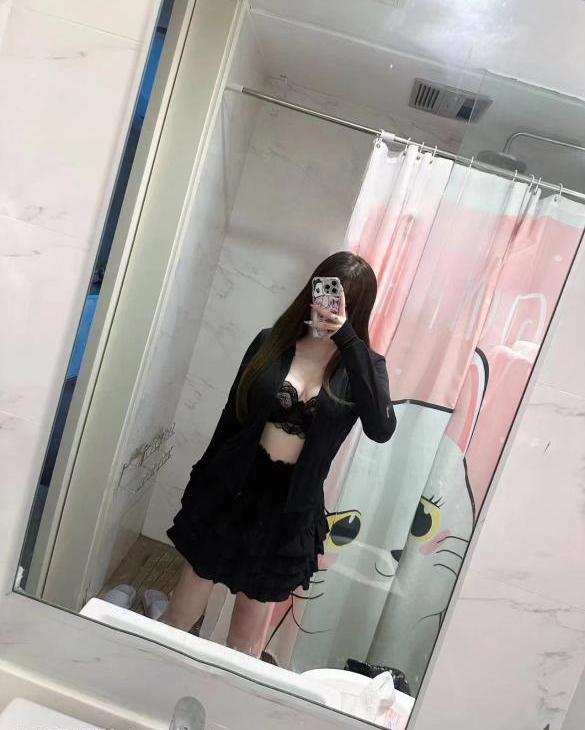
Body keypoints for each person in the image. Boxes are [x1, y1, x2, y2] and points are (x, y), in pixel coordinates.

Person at [164, 251, 396, 656]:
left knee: (243, 643)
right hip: (232, 488)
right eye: (323, 291)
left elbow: (381, 428)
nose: (327, 304)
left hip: (286, 510)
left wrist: (347, 339)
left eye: (341, 300)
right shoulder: (271, 341)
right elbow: (231, 416)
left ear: (357, 308)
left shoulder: (364, 368)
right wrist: (202, 483)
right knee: (179, 616)